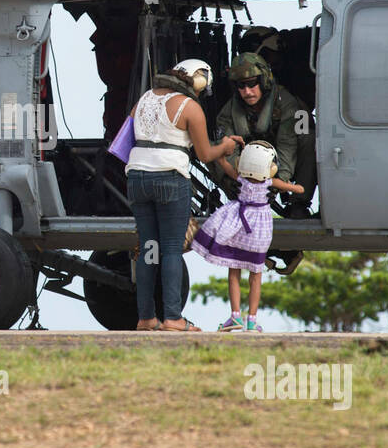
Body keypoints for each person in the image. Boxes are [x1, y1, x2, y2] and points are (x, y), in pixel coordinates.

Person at [126, 59, 243, 332]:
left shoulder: (143, 99)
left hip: (137, 178)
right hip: (169, 177)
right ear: (198, 80)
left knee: (148, 249)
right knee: (170, 249)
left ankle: (146, 318)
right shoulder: (190, 107)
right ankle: (173, 318)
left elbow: (128, 134)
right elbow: (204, 155)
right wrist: (225, 146)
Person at [192, 141, 304, 332]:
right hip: (259, 232)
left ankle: (235, 316)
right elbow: (297, 189)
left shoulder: (240, 178)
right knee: (255, 276)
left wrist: (221, 156)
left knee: (234, 272)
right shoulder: (270, 182)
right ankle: (252, 320)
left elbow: (224, 165)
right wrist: (297, 188)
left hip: (237, 227)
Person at [213, 52, 317, 219]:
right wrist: (241, 181)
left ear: (263, 81)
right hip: (247, 170)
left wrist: (277, 183)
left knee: (308, 139)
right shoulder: (229, 112)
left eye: (252, 83)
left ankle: (299, 203)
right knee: (214, 149)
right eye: (241, 86)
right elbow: (225, 149)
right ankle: (241, 200)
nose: (247, 92)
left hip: (281, 163)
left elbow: (287, 145)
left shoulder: (286, 103)